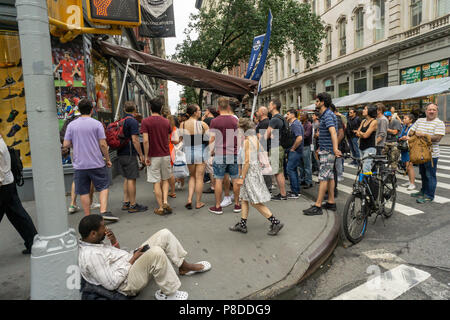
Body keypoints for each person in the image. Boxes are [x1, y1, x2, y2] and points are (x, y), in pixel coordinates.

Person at [78, 214, 211, 300]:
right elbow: (112, 284)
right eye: (103, 227)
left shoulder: (94, 242)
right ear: (93, 233)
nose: (106, 228)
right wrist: (133, 259)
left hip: (129, 262)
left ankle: (183, 266)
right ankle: (169, 293)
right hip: (126, 284)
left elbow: (114, 257)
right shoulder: (91, 255)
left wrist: (114, 242)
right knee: (156, 252)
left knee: (164, 234)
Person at [63, 99, 117, 221]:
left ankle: (87, 217)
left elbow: (66, 144)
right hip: (96, 162)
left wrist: (76, 144)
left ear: (79, 110)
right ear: (92, 110)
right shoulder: (97, 124)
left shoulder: (72, 125)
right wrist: (107, 159)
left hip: (80, 164)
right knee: (103, 186)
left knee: (83, 191)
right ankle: (103, 211)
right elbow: (103, 144)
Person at [229, 119, 284, 235]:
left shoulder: (247, 141)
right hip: (255, 171)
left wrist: (241, 177)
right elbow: (262, 151)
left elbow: (247, 161)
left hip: (249, 173)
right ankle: (242, 225)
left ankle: (275, 222)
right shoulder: (254, 139)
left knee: (254, 201)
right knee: (244, 198)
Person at [303, 93, 341, 216]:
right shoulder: (327, 114)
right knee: (329, 177)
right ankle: (331, 202)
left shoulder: (328, 115)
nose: (316, 103)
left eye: (317, 101)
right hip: (327, 149)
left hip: (328, 151)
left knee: (323, 177)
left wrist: (334, 148)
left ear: (322, 102)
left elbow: (333, 132)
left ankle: (318, 205)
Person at [0, 134, 38, 254]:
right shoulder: (1, 141)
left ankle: (33, 242)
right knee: (18, 214)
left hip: (3, 185)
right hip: (7, 183)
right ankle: (33, 242)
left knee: (18, 214)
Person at [208, 97, 240, 215]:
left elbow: (212, 138)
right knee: (235, 179)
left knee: (218, 180)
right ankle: (237, 204)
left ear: (218, 107)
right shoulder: (235, 120)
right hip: (233, 153)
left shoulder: (214, 121)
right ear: (228, 106)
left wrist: (210, 152)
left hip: (220, 153)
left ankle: (218, 206)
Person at [142, 98, 173, 215]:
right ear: (161, 109)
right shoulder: (166, 122)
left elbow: (145, 141)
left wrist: (146, 156)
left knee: (156, 181)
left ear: (150, 108)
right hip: (165, 154)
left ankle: (160, 207)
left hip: (153, 155)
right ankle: (165, 201)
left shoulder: (146, 121)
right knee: (165, 179)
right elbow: (169, 136)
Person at [408, 103, 446, 203]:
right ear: (426, 111)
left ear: (437, 111)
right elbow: (410, 132)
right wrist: (417, 133)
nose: (431, 111)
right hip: (419, 153)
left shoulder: (439, 123)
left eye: (434, 110)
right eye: (429, 109)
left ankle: (429, 195)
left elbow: (437, 138)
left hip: (431, 155)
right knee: (423, 174)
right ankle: (423, 191)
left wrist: (423, 134)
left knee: (430, 175)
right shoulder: (420, 121)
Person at [118, 101, 147, 214]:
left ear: (124, 109)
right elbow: (135, 140)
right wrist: (140, 155)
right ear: (134, 109)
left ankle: (126, 202)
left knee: (126, 178)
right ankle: (133, 204)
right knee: (131, 179)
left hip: (120, 153)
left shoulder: (121, 120)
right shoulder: (132, 121)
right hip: (129, 153)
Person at [179, 104, 209, 210]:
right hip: (200, 150)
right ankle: (198, 202)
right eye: (199, 110)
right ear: (195, 112)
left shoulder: (182, 124)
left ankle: (189, 199)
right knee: (199, 177)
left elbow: (181, 139)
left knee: (192, 176)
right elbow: (210, 139)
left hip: (188, 151)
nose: (200, 112)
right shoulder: (202, 124)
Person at [266, 99, 288, 201]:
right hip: (279, 146)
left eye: (269, 105)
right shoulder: (281, 118)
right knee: (279, 171)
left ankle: (283, 194)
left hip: (275, 146)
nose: (268, 107)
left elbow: (266, 135)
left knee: (278, 172)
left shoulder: (274, 119)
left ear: (274, 106)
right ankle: (282, 193)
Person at [285, 109, 304, 199]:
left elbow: (299, 138)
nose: (286, 116)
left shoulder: (295, 124)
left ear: (293, 115)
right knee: (293, 169)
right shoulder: (295, 123)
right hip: (297, 150)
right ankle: (296, 190)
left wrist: (293, 148)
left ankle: (295, 192)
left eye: (288, 114)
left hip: (296, 151)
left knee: (290, 169)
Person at [355, 105, 378, 173]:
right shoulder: (363, 121)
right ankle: (364, 182)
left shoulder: (374, 121)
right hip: (361, 147)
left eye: (365, 109)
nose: (363, 110)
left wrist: (360, 133)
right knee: (362, 167)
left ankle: (368, 182)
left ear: (370, 111)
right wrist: (361, 133)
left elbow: (366, 136)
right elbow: (357, 133)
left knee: (366, 168)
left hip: (370, 148)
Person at [255, 106, 273, 191]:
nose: (257, 113)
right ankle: (266, 186)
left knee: (265, 168)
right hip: (263, 148)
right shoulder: (264, 122)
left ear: (262, 113)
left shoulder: (264, 123)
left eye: (258, 112)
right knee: (264, 167)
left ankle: (268, 187)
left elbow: (262, 137)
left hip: (264, 148)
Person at [398, 114, 416, 191]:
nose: (403, 119)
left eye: (405, 118)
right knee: (406, 165)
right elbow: (399, 136)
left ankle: (412, 183)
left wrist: (407, 138)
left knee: (409, 166)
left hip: (410, 149)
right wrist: (402, 138)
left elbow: (415, 137)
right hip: (404, 148)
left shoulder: (414, 127)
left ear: (411, 120)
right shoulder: (405, 127)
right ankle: (410, 181)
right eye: (403, 118)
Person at [167, 114, 181, 199]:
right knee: (171, 171)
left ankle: (162, 188)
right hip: (171, 149)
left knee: (162, 172)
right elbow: (176, 141)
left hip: (163, 149)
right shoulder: (174, 129)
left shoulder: (162, 127)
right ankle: (172, 191)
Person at [299, 112, 313, 189]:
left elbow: (306, 135)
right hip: (300, 146)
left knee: (307, 165)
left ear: (306, 117)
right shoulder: (301, 124)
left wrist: (298, 136)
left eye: (302, 115)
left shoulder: (309, 125)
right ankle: (302, 180)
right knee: (301, 165)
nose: (300, 116)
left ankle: (309, 182)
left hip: (306, 147)